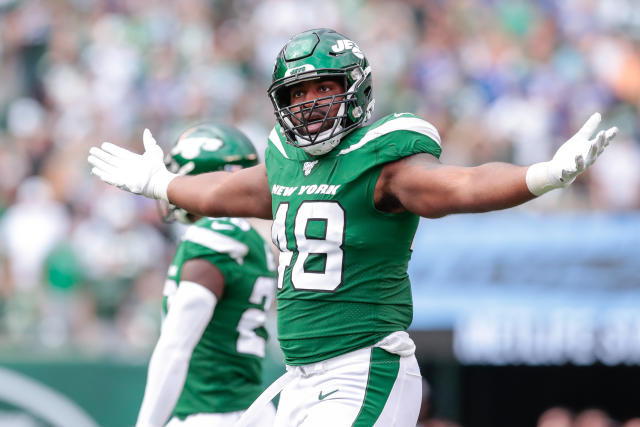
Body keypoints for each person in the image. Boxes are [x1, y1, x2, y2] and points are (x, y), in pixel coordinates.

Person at [88, 28, 618, 426]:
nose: (308, 104)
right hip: (299, 380)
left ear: (355, 89)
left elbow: (463, 185)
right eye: (295, 94)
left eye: (321, 87)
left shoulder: (383, 160)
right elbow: (216, 193)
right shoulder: (283, 163)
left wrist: (542, 175)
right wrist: (159, 182)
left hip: (363, 370)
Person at [133, 124, 277, 427]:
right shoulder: (251, 240)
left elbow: (175, 347)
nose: (171, 187)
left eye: (178, 175)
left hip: (210, 413)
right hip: (250, 412)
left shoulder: (212, 235)